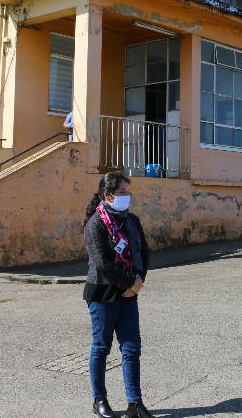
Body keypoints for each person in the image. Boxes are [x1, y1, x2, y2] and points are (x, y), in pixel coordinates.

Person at [83, 172, 154, 418]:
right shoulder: (95, 223)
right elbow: (102, 263)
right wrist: (128, 284)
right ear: (107, 196)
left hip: (129, 292)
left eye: (127, 192)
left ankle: (135, 403)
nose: (127, 197)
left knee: (132, 348)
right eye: (122, 193)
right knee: (101, 347)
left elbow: (143, 252)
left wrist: (138, 281)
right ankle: (99, 400)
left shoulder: (131, 220)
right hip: (103, 293)